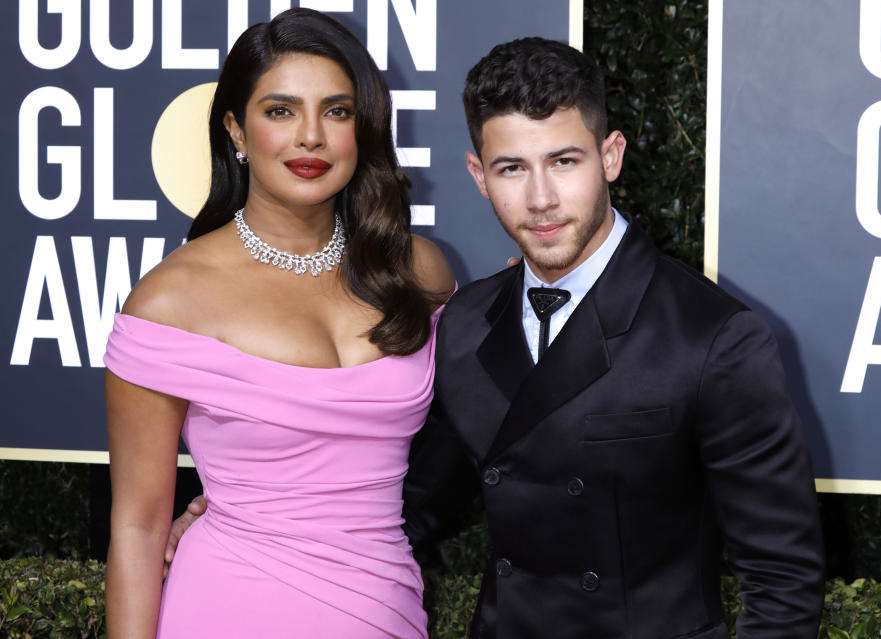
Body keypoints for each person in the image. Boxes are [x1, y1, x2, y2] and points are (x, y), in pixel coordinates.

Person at [169, 37, 826, 638]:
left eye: (563, 161)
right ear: (480, 176)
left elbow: (783, 585)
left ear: (611, 156)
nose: (541, 198)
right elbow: (405, 498)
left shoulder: (715, 336)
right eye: (512, 168)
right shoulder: (466, 321)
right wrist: (244, 514)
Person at [104, 8, 453, 639]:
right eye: (281, 111)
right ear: (236, 131)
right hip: (227, 608)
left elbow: (475, 437)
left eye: (337, 111)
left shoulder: (418, 270)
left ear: (362, 129)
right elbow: (137, 526)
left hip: (386, 609)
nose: (311, 137)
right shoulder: (170, 301)